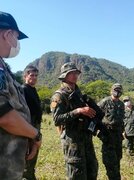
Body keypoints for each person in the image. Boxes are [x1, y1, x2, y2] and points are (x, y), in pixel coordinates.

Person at [0, 11, 42, 179]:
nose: (17, 43)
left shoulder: (3, 66)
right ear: (8, 34)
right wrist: (36, 135)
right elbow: (4, 116)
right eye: (17, 38)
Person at [50, 62, 98, 180]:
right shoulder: (59, 96)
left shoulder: (79, 94)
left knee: (92, 169)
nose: (75, 75)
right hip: (72, 141)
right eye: (71, 73)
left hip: (86, 139)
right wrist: (78, 111)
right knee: (76, 173)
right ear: (64, 76)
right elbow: (57, 119)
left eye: (76, 73)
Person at [98, 83, 125, 180]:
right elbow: (96, 114)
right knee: (109, 160)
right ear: (111, 91)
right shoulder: (105, 101)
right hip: (108, 134)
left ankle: (116, 176)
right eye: (115, 90)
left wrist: (123, 131)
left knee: (118, 158)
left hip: (118, 135)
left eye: (119, 90)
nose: (117, 92)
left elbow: (122, 120)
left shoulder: (121, 104)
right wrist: (98, 129)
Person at [22, 65, 42, 180]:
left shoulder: (32, 90)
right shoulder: (23, 90)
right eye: (31, 75)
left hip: (35, 129)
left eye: (36, 75)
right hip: (28, 130)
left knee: (31, 162)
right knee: (27, 162)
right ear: (25, 76)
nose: (34, 78)